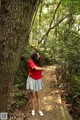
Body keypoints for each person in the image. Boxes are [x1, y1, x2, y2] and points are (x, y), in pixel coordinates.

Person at [26, 51, 45, 117]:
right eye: (38, 55)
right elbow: (35, 68)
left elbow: (39, 70)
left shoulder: (38, 62)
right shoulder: (30, 61)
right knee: (33, 95)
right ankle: (33, 109)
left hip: (38, 79)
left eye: (39, 55)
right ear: (34, 56)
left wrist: (42, 69)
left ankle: (39, 110)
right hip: (32, 79)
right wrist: (43, 68)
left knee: (38, 95)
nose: (39, 56)